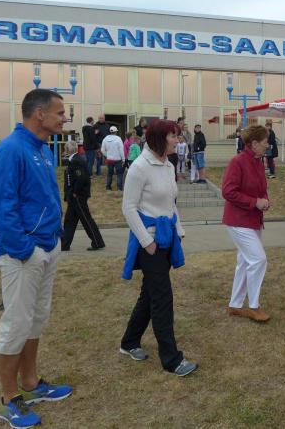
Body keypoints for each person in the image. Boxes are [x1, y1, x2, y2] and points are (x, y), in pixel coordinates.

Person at [0, 89, 72, 428]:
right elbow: (1, 206)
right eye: (60, 112)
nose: (65, 118)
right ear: (39, 114)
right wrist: (25, 249)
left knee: (36, 319)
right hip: (22, 253)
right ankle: (9, 398)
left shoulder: (42, 149)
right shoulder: (11, 149)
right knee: (17, 323)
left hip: (47, 247)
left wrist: (53, 241)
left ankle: (31, 383)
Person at [120, 119, 197, 377]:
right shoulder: (139, 167)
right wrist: (147, 242)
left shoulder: (168, 165)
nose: (178, 140)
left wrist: (179, 230)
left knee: (150, 295)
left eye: (177, 135)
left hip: (167, 239)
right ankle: (172, 359)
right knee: (162, 298)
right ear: (159, 138)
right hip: (150, 244)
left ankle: (129, 342)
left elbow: (171, 203)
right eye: (173, 136)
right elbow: (128, 208)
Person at [222, 125, 272, 322]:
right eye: (265, 142)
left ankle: (235, 305)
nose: (268, 145)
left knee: (245, 261)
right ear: (254, 143)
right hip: (238, 220)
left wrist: (264, 200)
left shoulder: (259, 162)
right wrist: (254, 202)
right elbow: (228, 191)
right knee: (258, 260)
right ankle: (253, 306)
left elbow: (261, 189)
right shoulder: (237, 162)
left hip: (253, 219)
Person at [61, 140, 105, 252]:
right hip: (74, 196)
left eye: (65, 149)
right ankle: (64, 244)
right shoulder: (75, 160)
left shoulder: (76, 161)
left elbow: (81, 178)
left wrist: (75, 192)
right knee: (70, 220)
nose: (65, 151)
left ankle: (97, 242)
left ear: (68, 150)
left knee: (86, 219)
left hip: (78, 196)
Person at [101, 125, 125, 191]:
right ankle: (119, 188)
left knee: (109, 173)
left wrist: (107, 155)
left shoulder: (105, 139)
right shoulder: (118, 139)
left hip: (109, 159)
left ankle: (108, 187)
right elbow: (121, 150)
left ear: (110, 132)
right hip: (118, 159)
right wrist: (123, 159)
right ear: (116, 132)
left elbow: (102, 150)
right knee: (119, 174)